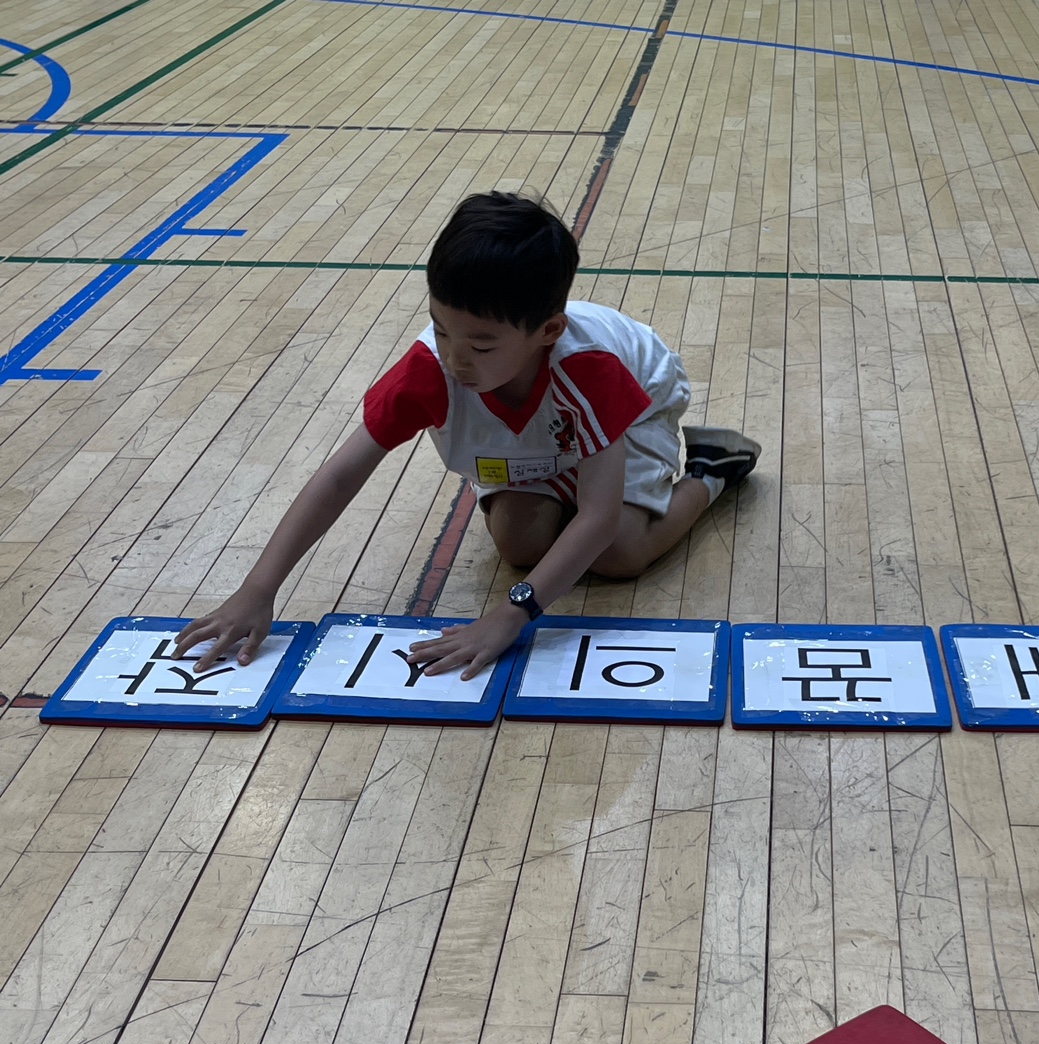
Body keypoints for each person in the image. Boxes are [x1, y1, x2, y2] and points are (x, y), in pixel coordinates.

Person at [173, 192, 759, 679]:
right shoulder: (431, 371)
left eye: (480, 344)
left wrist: (510, 616)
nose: (455, 358)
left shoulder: (592, 371)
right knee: (520, 546)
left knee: (619, 553)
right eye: (441, 329)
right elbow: (339, 475)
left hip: (635, 405)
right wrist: (259, 587)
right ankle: (563, 478)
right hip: (547, 436)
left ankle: (711, 469)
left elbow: (599, 517)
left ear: (548, 331)